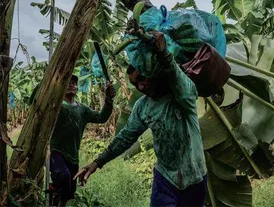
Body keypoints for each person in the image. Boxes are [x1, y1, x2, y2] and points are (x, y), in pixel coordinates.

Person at [74, 31, 207, 206]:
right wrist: (98, 162)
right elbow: (126, 137)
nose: (141, 86)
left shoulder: (181, 96)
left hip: (195, 178)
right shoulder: (143, 107)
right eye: (135, 84)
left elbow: (180, 81)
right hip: (165, 179)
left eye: (142, 79)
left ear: (153, 73)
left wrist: (163, 53)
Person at [48, 75, 116, 206]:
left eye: (74, 83)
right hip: (56, 151)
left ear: (77, 88)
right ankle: (54, 197)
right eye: (68, 82)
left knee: (69, 192)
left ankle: (58, 201)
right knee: (63, 176)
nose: (71, 84)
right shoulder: (57, 105)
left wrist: (109, 100)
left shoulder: (82, 109)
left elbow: (102, 117)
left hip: (73, 155)